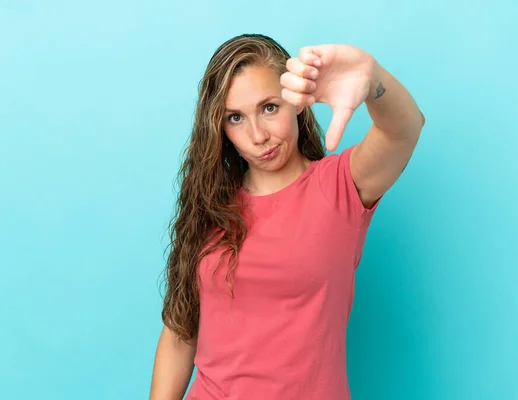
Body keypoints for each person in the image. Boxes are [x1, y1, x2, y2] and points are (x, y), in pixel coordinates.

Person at [149, 33, 425, 400]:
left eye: (269, 108)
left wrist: (373, 78)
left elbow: (404, 130)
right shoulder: (210, 207)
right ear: (220, 127)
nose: (258, 135)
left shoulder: (340, 188)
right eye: (235, 118)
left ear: (296, 102)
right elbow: (180, 330)